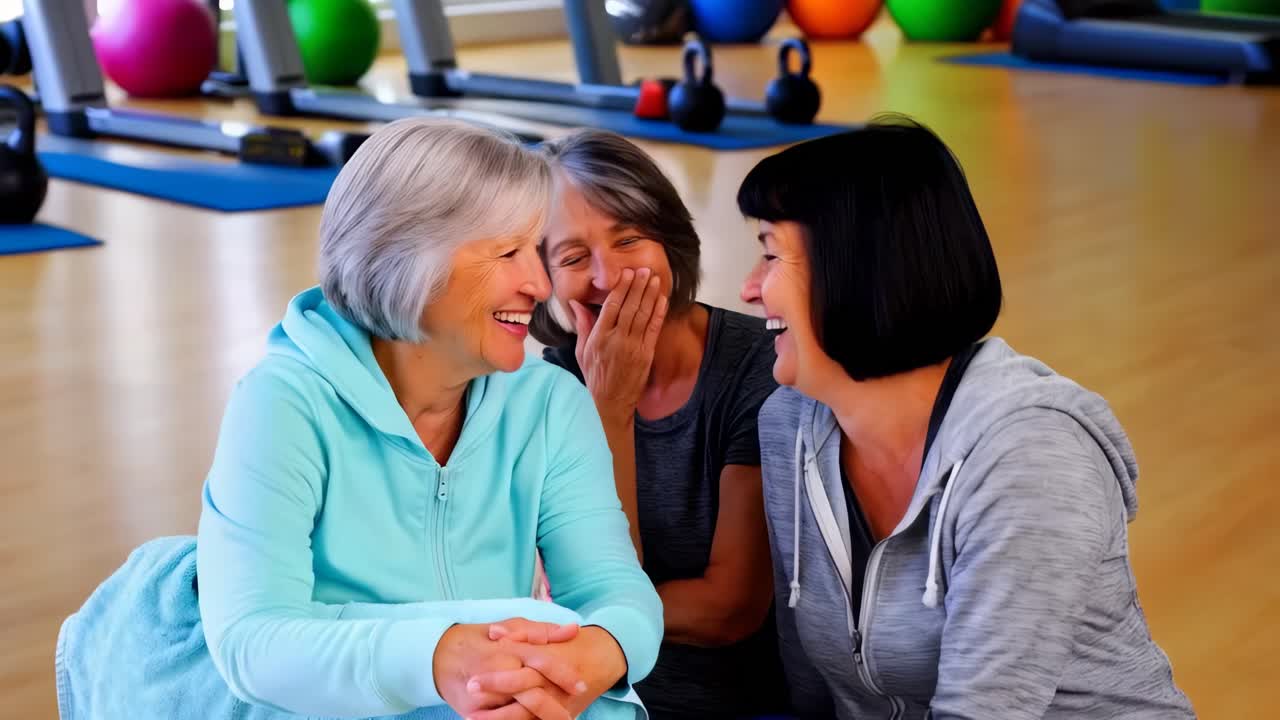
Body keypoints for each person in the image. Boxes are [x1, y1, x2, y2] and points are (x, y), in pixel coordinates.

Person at [195, 118, 663, 720]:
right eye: (507, 253)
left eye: (537, 250)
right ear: (409, 259)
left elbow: (617, 591)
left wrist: (600, 650)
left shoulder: (549, 403)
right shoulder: (282, 406)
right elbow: (253, 643)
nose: (539, 283)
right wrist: (441, 657)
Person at [736, 116, 1197, 719]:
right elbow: (811, 690)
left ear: (858, 270)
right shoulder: (789, 427)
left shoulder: (1030, 457)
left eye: (770, 254)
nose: (748, 289)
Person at [529, 129, 787, 719]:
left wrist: (610, 408)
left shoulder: (758, 370)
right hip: (590, 695)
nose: (609, 274)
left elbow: (729, 609)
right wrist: (604, 405)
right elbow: (569, 585)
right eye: (572, 258)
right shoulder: (550, 385)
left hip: (731, 701)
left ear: (671, 242)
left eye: (630, 240)